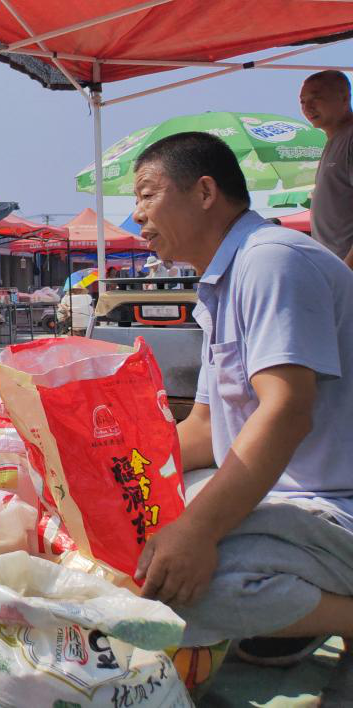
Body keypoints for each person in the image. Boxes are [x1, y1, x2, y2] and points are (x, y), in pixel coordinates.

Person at [130, 131, 353, 690]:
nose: (137, 217)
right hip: (290, 500)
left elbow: (286, 413)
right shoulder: (224, 282)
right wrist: (117, 472)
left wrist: (198, 533)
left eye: (148, 195)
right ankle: (292, 607)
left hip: (335, 504)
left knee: (173, 589)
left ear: (205, 191)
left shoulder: (272, 261)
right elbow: (205, 428)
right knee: (142, 535)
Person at [300, 69, 353, 268]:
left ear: (345, 98)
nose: (307, 107)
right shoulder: (334, 140)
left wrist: (346, 273)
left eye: (316, 98)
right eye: (302, 101)